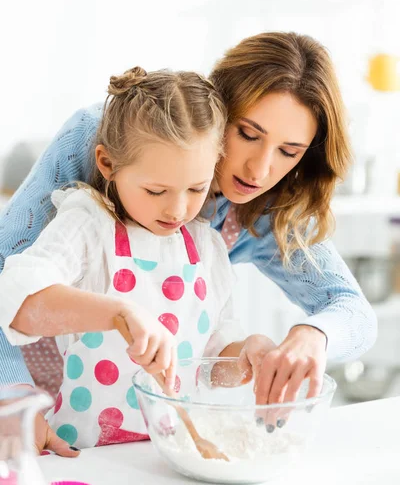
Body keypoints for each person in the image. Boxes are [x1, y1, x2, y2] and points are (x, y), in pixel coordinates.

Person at [0, 32, 377, 449]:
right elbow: (11, 282)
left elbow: (346, 312)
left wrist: (309, 335)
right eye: (248, 134)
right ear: (218, 112)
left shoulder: (248, 221)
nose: (260, 169)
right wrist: (13, 398)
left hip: (153, 436)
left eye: (289, 151)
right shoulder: (99, 161)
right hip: (39, 383)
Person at [0, 67, 275, 452]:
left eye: (196, 188)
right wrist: (118, 313)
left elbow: (212, 356)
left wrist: (248, 357)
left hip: (174, 453)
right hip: (86, 452)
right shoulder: (88, 225)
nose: (178, 209)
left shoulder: (206, 248)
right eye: (156, 190)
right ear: (107, 163)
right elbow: (18, 300)